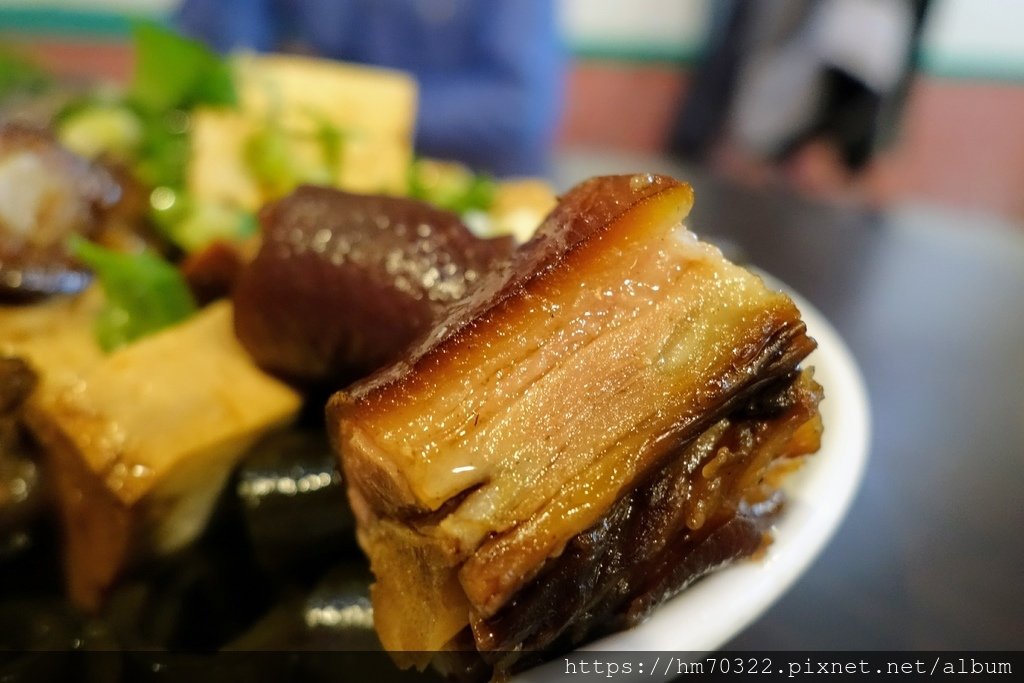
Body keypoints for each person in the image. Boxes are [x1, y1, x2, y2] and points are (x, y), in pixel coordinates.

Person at [176, 0, 565, 178]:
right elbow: (211, 67)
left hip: (487, 206)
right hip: (318, 189)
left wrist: (349, 107)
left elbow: (518, 109)